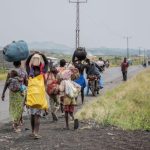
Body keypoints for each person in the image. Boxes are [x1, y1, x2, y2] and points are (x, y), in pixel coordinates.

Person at [1, 61, 27, 132]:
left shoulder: (10, 72)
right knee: (19, 108)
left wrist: (3, 93)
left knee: (12, 108)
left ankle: (14, 121)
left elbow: (6, 83)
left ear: (13, 64)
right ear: (20, 64)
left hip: (12, 94)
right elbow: (26, 83)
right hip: (20, 93)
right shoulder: (23, 72)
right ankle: (16, 125)